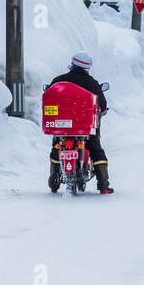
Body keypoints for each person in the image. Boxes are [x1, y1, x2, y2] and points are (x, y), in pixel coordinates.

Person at [47, 51, 113, 194]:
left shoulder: (59, 80)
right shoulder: (92, 83)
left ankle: (53, 181)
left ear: (72, 63)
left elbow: (49, 97)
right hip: (84, 126)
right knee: (96, 150)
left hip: (61, 125)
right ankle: (103, 185)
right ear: (88, 67)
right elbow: (102, 103)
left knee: (56, 148)